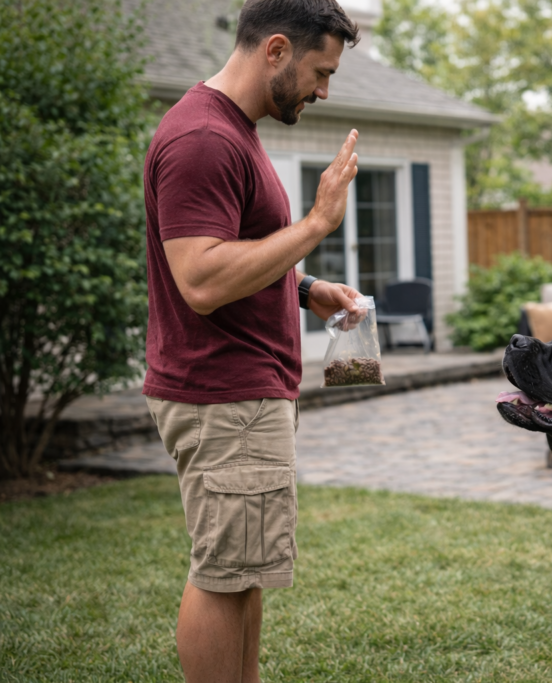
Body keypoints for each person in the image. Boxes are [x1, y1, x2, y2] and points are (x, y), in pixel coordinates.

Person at [142, 1, 362, 681]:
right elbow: (202, 279)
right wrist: (318, 220)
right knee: (223, 572)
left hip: (243, 389)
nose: (324, 90)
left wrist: (300, 287)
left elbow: (234, 251)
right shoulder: (203, 139)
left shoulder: (233, 129)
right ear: (275, 50)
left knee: (246, 568)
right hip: (223, 391)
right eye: (320, 72)